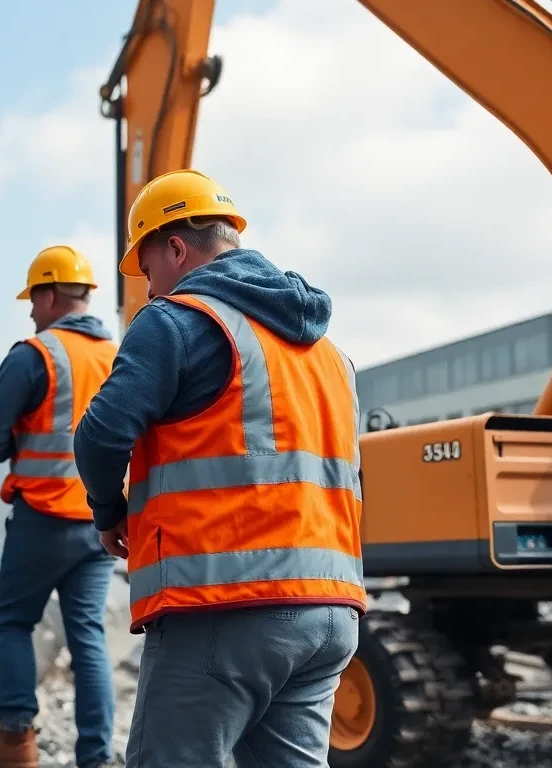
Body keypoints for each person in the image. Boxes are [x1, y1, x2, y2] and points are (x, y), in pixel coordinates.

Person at [73, 169, 365, 768]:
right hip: (330, 610)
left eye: (148, 269)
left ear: (176, 247)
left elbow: (101, 435)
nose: (150, 289)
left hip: (227, 601)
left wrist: (108, 512)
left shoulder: (177, 321)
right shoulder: (330, 353)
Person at [0, 246, 119, 768]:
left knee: (10, 624)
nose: (30, 310)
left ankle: (15, 741)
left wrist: (17, 441)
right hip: (101, 523)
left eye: (33, 299)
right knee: (88, 639)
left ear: (51, 295)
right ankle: (94, 757)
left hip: (44, 517)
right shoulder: (118, 355)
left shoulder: (36, 354)